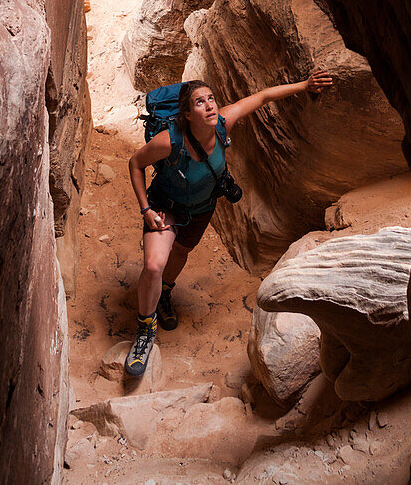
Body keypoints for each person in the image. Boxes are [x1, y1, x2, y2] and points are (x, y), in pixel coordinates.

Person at [124, 70, 333, 377]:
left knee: (180, 253)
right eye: (199, 102)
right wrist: (145, 209)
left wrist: (305, 85)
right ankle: (145, 330)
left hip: (202, 208)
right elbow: (135, 163)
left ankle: (164, 293)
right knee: (154, 264)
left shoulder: (223, 124)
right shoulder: (169, 141)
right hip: (164, 208)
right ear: (186, 113)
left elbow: (263, 96)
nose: (209, 106)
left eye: (211, 99)